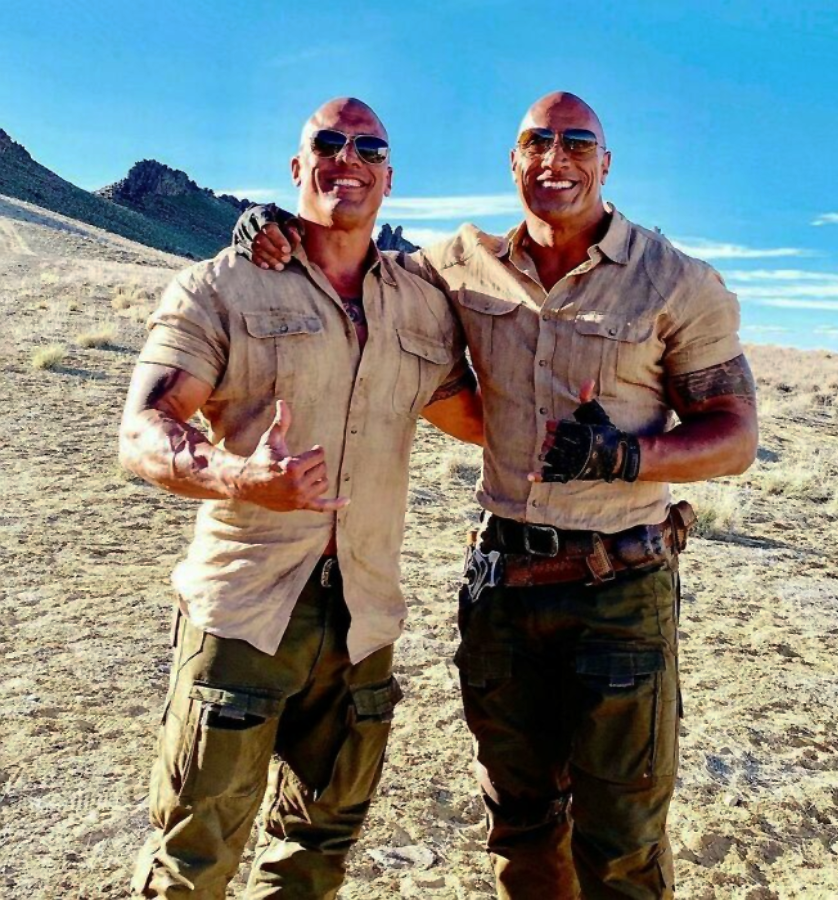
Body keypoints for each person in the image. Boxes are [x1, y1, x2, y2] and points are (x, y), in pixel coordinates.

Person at [233, 90, 758, 900]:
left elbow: (735, 436)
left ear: (607, 161)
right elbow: (358, 261)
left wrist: (624, 456)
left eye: (577, 142)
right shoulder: (459, 262)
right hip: (502, 589)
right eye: (536, 141)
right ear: (513, 161)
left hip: (620, 591)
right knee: (520, 822)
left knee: (621, 842)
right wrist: (278, 227)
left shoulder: (674, 280)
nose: (556, 157)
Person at [119, 97, 482, 899]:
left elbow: (479, 419)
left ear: (390, 177)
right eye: (329, 143)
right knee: (193, 857)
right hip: (245, 612)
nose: (348, 159)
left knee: (316, 852)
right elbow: (143, 428)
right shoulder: (223, 286)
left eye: (369, 148)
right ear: (297, 166)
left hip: (364, 619)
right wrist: (241, 478)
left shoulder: (420, 302)